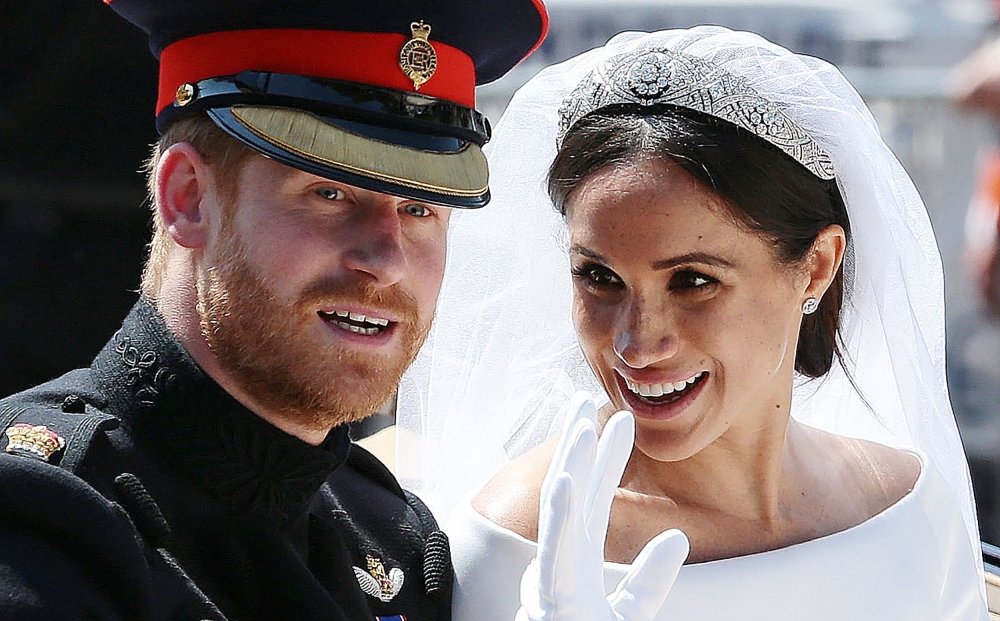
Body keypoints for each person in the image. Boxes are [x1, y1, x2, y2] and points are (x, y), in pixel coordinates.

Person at [396, 26, 990, 619]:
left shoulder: (909, 510)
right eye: (600, 278)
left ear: (815, 267)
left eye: (693, 281)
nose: (637, 343)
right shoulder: (521, 545)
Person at [0, 1, 547, 619]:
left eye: (420, 209)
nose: (388, 260)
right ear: (188, 198)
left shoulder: (393, 535)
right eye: (331, 192)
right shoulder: (38, 516)